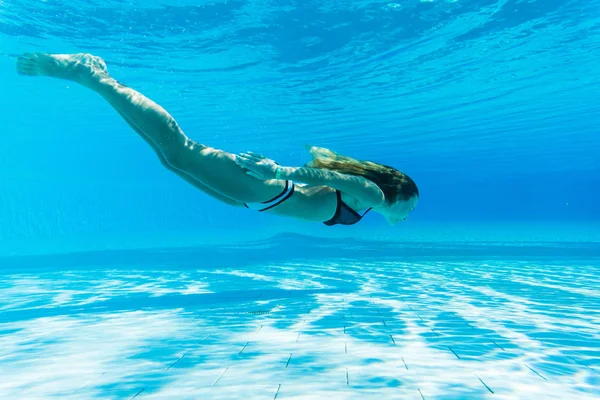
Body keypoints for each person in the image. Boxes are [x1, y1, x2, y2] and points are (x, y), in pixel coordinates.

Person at [16, 52, 419, 226]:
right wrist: (277, 169)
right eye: (410, 208)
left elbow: (338, 182)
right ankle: (92, 76)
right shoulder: (375, 198)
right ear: (395, 194)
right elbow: (347, 181)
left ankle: (95, 79)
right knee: (180, 147)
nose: (407, 216)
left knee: (171, 158)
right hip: (266, 189)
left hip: (254, 198)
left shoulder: (370, 205)